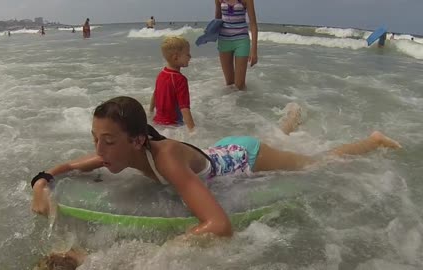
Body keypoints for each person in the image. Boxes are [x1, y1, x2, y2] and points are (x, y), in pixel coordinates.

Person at [31, 96, 402, 237]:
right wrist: (40, 185)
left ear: (137, 140)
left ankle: (373, 140)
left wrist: (158, 257)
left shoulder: (167, 158)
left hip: (244, 157)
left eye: (108, 141)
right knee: (291, 147)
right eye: (95, 138)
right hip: (217, 151)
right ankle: (291, 119)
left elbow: (219, 225)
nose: (99, 149)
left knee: (316, 164)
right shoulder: (119, 151)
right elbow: (61, 168)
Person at [149, 36, 196, 133]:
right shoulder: (180, 80)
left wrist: (150, 112)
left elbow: (155, 95)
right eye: (187, 54)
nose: (190, 56)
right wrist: (193, 131)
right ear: (175, 58)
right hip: (174, 126)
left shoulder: (161, 74)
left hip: (158, 123)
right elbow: (184, 108)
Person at [215, 0, 258, 90]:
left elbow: (253, 24)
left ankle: (245, 103)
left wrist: (254, 51)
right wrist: (209, 34)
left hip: (241, 41)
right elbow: (217, 19)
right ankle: (230, 104)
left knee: (239, 84)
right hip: (224, 40)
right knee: (230, 84)